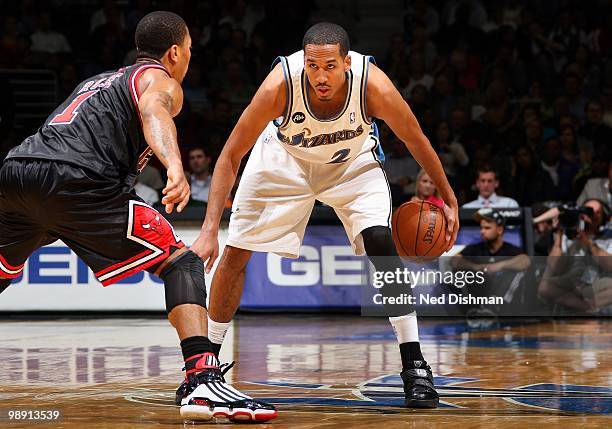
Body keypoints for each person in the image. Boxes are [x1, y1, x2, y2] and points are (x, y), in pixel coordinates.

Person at [0, 11, 274, 423]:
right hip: (79, 182)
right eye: (190, 52)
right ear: (176, 52)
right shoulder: (160, 79)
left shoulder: (95, 82)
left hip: (17, 172)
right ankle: (203, 381)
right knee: (182, 262)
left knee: (2, 269)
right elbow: (154, 113)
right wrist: (174, 166)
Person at [190, 22, 460, 411]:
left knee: (381, 240)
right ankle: (206, 370)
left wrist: (448, 197)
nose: (320, 76)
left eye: (330, 66)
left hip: (351, 164)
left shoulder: (373, 86)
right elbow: (231, 154)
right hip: (283, 162)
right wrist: (209, 228)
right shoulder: (279, 85)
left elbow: (416, 138)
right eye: (313, 67)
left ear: (347, 63)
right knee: (236, 253)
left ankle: (415, 364)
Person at [450, 208, 531, 313]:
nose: (482, 231)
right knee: (459, 272)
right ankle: (473, 310)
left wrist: (499, 266)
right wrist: (475, 267)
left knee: (517, 272)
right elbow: (454, 261)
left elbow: (526, 261)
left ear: (499, 230)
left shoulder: (510, 249)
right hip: (480, 295)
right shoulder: (476, 248)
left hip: (504, 302)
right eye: (481, 228)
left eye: (487, 228)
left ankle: (494, 308)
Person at [538, 199, 612, 313]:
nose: (592, 215)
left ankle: (590, 306)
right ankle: (585, 307)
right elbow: (554, 267)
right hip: (572, 283)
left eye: (597, 212)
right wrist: (559, 233)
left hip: (597, 284)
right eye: (588, 211)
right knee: (545, 287)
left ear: (604, 216)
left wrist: (586, 242)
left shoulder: (607, 238)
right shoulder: (568, 235)